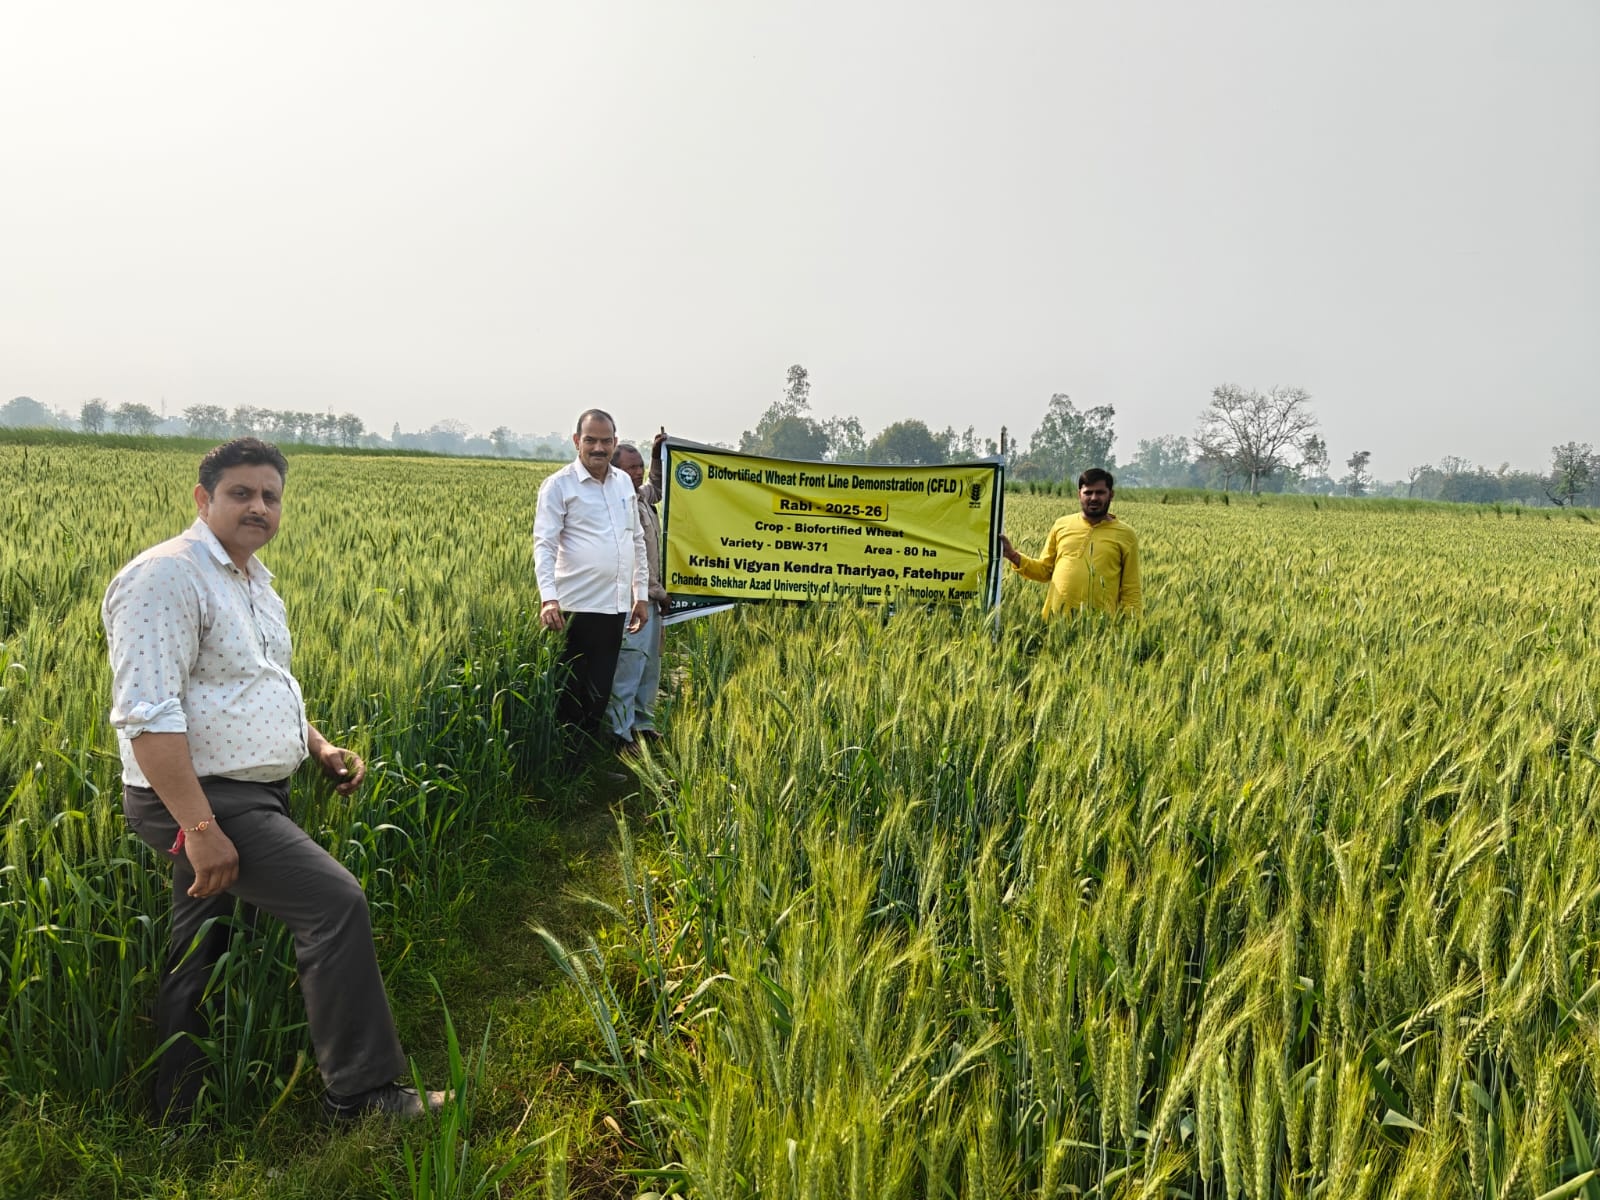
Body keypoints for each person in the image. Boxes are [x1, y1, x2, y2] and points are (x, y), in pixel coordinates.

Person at [102, 437, 445, 1121]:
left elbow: (261, 684)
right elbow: (146, 715)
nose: (258, 506)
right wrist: (200, 826)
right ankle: (364, 1094)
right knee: (335, 905)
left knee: (201, 943)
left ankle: (178, 1105)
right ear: (203, 500)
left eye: (270, 496)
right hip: (201, 799)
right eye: (241, 493)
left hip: (246, 793)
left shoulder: (254, 581)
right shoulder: (166, 576)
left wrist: (316, 746)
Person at [533, 409, 650, 752]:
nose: (598, 447)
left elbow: (636, 540)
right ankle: (566, 772)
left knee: (599, 693)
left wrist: (639, 595)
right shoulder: (559, 485)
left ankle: (586, 765)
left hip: (614, 607)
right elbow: (545, 544)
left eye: (605, 441)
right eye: (590, 440)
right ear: (576, 441)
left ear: (614, 442)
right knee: (571, 694)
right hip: (574, 608)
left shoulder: (622, 485)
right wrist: (548, 598)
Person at [1000, 468, 1142, 617]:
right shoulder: (1061, 525)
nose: (1093, 498)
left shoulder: (1126, 535)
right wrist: (1013, 556)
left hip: (1099, 627)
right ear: (1079, 494)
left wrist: (1132, 627)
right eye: (1088, 492)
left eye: (1100, 492)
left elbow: (1131, 588)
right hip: (1055, 621)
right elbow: (1044, 571)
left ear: (1111, 495)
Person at [606, 435, 670, 747]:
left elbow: (656, 486)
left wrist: (657, 455)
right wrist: (658, 593)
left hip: (652, 601)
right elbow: (633, 559)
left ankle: (643, 725)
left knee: (650, 666)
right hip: (634, 602)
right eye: (630, 468)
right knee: (629, 667)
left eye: (640, 466)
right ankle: (620, 733)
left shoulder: (641, 497)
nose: (638, 472)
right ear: (615, 470)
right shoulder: (617, 505)